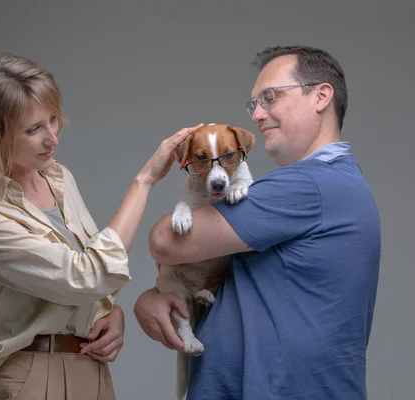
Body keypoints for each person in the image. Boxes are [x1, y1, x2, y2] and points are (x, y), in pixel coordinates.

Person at [0, 52, 203, 399]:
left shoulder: (59, 178)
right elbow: (86, 276)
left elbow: (94, 279)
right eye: (33, 129)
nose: (53, 138)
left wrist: (111, 312)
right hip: (33, 372)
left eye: (53, 120)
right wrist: (144, 181)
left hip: (91, 365)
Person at [134, 45, 381, 399]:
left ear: (321, 96)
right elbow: (232, 286)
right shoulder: (334, 182)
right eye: (255, 104)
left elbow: (164, 240)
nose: (258, 115)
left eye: (270, 97)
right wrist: (151, 299)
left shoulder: (309, 185)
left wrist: (145, 180)